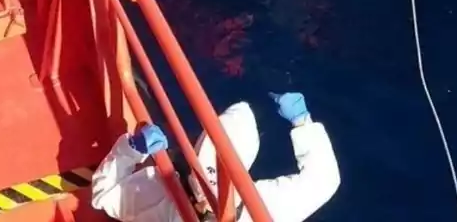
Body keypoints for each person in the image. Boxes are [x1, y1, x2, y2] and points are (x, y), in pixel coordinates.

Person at [90, 93, 340, 222]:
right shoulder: (264, 207)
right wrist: (303, 122)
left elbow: (105, 197)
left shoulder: (165, 192)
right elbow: (323, 182)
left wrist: (132, 148)